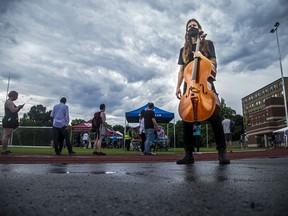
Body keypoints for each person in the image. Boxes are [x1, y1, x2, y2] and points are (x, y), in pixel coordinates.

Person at [175, 18, 230, 164]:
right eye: (189, 26)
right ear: (187, 31)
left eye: (194, 25)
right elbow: (181, 71)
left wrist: (201, 57)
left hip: (204, 85)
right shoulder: (183, 50)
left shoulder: (208, 44)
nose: (192, 27)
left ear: (199, 28)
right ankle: (188, 154)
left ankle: (222, 152)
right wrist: (177, 87)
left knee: (215, 117)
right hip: (189, 87)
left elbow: (214, 64)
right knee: (186, 119)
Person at [1, 91, 24, 155]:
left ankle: (5, 149)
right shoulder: (9, 102)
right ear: (13, 96)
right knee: (6, 135)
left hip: (10, 119)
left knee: (8, 135)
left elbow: (14, 110)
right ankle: (4, 150)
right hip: (9, 120)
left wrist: (19, 108)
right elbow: (13, 110)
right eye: (16, 96)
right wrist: (18, 107)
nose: (17, 98)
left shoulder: (10, 102)